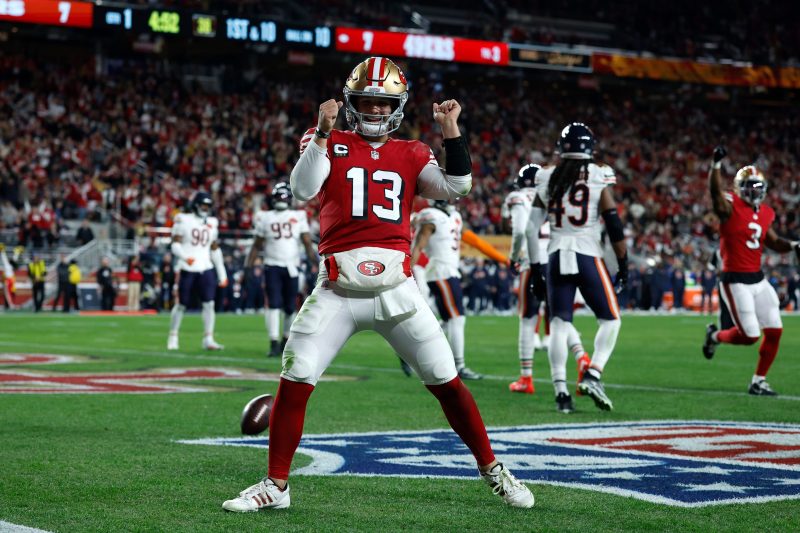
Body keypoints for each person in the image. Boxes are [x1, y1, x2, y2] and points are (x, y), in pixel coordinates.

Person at [222, 56, 533, 513]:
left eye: (382, 103)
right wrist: (323, 132)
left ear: (397, 106)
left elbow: (458, 186)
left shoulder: (414, 152)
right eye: (366, 101)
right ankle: (277, 485)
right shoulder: (326, 139)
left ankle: (493, 469)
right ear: (351, 103)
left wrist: (451, 129)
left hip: (397, 291)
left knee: (446, 380)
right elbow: (303, 188)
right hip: (337, 289)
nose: (373, 110)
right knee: (296, 374)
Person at [526, 123, 628, 413]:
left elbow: (530, 229)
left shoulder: (547, 175)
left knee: (559, 324)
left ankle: (561, 393)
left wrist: (535, 268)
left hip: (556, 254)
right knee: (611, 320)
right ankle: (593, 374)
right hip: (586, 252)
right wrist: (623, 263)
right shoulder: (597, 174)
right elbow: (613, 223)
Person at [701, 146, 800, 396]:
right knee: (750, 335)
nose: (754, 191)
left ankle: (758, 381)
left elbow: (773, 241)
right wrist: (715, 165)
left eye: (758, 186)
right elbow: (714, 193)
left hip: (758, 278)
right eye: (749, 186)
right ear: (739, 187)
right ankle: (714, 336)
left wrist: (793, 245)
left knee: (775, 330)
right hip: (735, 280)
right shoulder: (729, 206)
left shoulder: (766, 212)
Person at [505, 164, 590, 397]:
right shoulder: (554, 194)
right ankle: (582, 357)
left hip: (534, 260)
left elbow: (521, 230)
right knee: (560, 318)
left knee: (527, 319)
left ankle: (526, 378)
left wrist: (513, 257)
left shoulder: (518, 197)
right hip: (557, 258)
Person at [411, 200, 482, 379]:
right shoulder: (430, 216)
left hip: (450, 271)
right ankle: (459, 366)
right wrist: (406, 274)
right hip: (440, 271)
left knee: (449, 321)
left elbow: (471, 239)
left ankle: (413, 344)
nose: (453, 199)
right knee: (457, 319)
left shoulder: (454, 216)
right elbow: (418, 246)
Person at [247, 182, 318, 357]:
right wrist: (248, 266)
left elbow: (307, 243)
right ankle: (273, 342)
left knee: (289, 306)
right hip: (272, 266)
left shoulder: (297, 216)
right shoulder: (266, 217)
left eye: (283, 197)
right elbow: (257, 244)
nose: (281, 199)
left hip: (291, 266)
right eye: (279, 196)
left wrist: (316, 263)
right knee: (273, 304)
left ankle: (285, 340)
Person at [167, 192, 228, 351]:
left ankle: (208, 338)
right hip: (187, 268)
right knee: (181, 304)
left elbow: (214, 249)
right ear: (195, 205)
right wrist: (184, 257)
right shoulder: (183, 219)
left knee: (209, 304)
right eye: (203, 205)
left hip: (205, 267)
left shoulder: (212, 222)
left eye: (208, 206)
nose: (205, 208)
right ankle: (173, 336)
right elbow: (175, 245)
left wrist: (222, 272)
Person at [0, 244, 21, 310]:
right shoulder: (10, 266)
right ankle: (10, 305)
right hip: (9, 279)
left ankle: (10, 304)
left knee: (9, 293)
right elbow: (11, 260)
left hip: (10, 279)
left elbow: (12, 260)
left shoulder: (10, 266)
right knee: (8, 293)